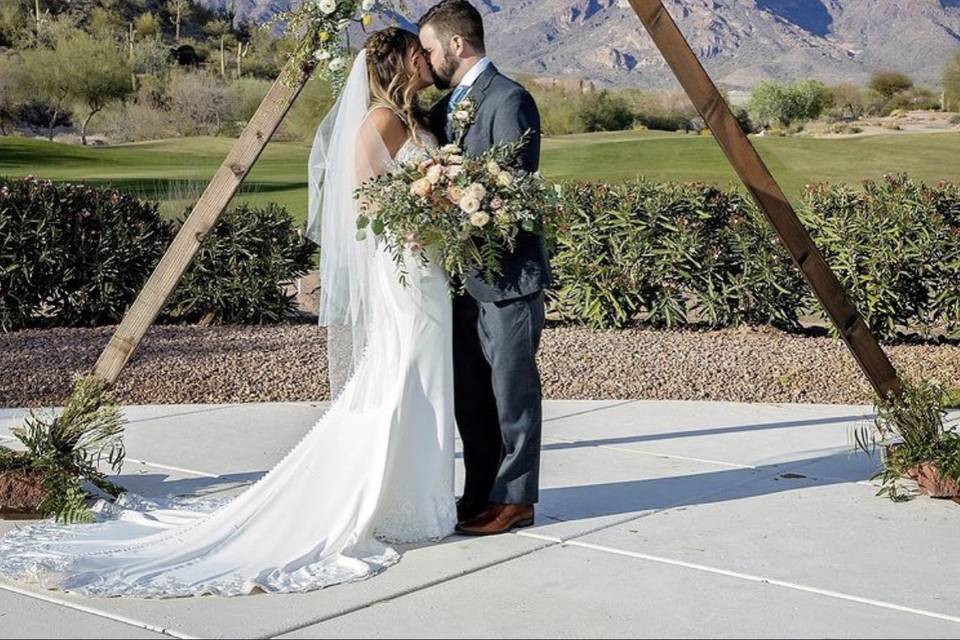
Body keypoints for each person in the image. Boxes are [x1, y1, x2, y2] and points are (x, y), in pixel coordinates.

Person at [0, 28, 458, 598]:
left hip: (426, 266)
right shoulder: (381, 121)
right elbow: (363, 202)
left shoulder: (411, 118)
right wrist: (419, 216)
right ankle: (395, 503)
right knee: (404, 374)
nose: (426, 60)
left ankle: (414, 499)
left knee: (422, 376)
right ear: (399, 63)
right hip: (406, 268)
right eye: (419, 54)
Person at [419, 0, 552, 536]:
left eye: (430, 48)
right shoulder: (446, 105)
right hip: (459, 279)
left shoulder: (509, 99)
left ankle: (515, 499)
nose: (427, 60)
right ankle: (479, 495)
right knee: (471, 395)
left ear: (457, 44)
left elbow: (512, 191)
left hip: (506, 278)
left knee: (511, 392)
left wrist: (449, 200)